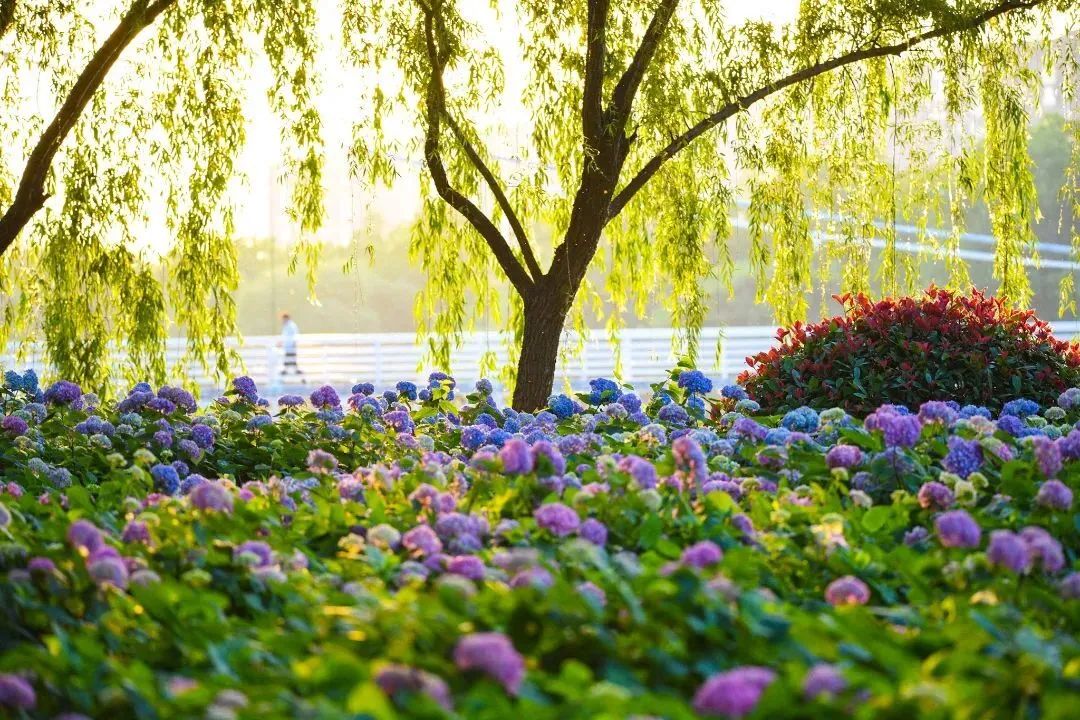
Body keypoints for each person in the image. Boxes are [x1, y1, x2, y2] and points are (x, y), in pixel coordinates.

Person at [279, 313, 304, 380]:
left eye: (283, 319)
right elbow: (284, 336)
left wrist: (294, 343)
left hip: (291, 345)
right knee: (289, 358)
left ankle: (292, 371)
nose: (282, 320)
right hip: (287, 346)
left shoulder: (291, 325)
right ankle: (291, 370)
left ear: (286, 318)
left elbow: (295, 335)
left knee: (291, 358)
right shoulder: (286, 325)